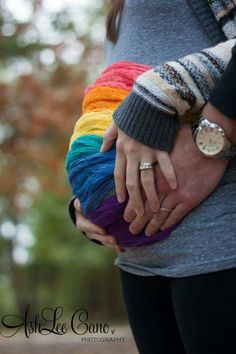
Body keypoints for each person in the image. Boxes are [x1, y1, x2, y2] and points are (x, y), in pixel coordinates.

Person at [70, 1, 236, 353]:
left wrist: (215, 135)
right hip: (138, 262)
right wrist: (89, 199)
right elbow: (109, 110)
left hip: (220, 242)